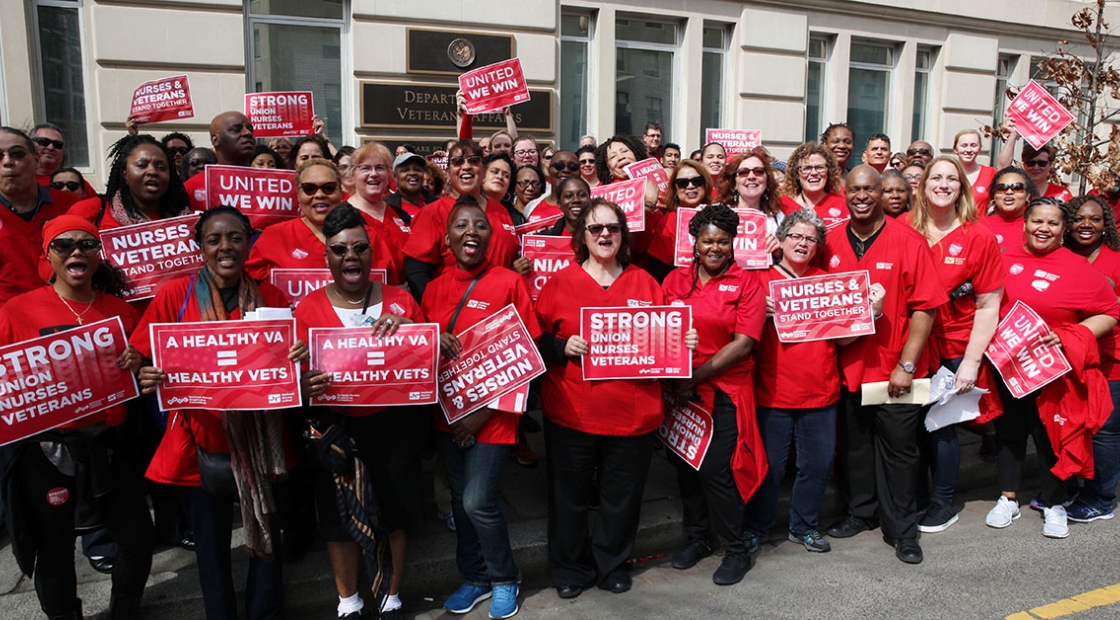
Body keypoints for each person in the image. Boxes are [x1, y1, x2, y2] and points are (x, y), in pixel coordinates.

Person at [134, 207, 313, 620]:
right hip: (199, 440)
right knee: (211, 547)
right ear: (201, 247)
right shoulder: (174, 294)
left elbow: (295, 361)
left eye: (234, 237)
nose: (225, 247)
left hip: (260, 440)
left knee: (268, 531)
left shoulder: (273, 297)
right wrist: (147, 370)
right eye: (214, 240)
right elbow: (142, 353)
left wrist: (299, 357)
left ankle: (264, 613)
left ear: (248, 242)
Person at [534, 198, 692, 597]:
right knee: (568, 499)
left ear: (623, 235)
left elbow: (665, 340)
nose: (604, 234)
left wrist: (682, 340)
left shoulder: (644, 282)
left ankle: (612, 564)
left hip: (633, 415)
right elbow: (534, 341)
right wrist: (560, 346)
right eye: (595, 228)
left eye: (613, 228)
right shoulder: (559, 284)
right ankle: (570, 569)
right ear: (582, 236)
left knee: (621, 497)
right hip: (572, 412)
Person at [0, 215, 154, 620]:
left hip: (109, 443)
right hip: (48, 450)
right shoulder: (17, 311)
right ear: (47, 254)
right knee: (53, 548)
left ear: (99, 255)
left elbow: (140, 377)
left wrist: (138, 362)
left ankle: (125, 610)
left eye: (87, 244)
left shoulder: (119, 310)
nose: (76, 252)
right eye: (64, 244)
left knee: (137, 540)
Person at [294, 204, 424, 620]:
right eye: (339, 249)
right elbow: (291, 379)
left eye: (359, 248)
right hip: (336, 429)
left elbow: (428, 360)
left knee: (395, 512)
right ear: (327, 257)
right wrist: (302, 383)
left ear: (372, 254)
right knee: (337, 519)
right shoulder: (307, 310)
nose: (350, 256)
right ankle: (348, 602)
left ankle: (389, 596)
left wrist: (411, 333)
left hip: (391, 426)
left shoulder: (402, 301)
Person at [823, 165, 947, 565]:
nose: (862, 196)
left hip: (895, 372)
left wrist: (906, 366)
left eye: (869, 190)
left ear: (883, 194)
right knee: (855, 449)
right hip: (846, 369)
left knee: (900, 453)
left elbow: (925, 309)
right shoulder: (830, 241)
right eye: (854, 189)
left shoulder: (908, 241)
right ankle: (862, 512)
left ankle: (902, 530)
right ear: (845, 193)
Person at [420, 196, 535, 619]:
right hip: (447, 417)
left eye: (480, 226)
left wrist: (479, 416)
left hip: (494, 418)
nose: (472, 231)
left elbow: (526, 355)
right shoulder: (431, 289)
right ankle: (474, 578)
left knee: (476, 501)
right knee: (457, 503)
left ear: (491, 237)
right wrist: (434, 341)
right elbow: (418, 354)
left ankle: (505, 578)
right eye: (461, 225)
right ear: (447, 238)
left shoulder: (509, 282)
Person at [984, 198, 1118, 539]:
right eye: (1037, 222)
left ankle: (1055, 503)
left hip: (1053, 371)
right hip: (1008, 367)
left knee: (1051, 438)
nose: (1043, 228)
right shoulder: (1002, 259)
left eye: (1053, 224)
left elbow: (1110, 311)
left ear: (1063, 229)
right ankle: (1007, 498)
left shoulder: (1077, 266)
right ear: (1025, 224)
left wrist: (1072, 335)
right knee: (1010, 434)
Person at [744, 209, 863, 555]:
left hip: (821, 393)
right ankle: (756, 529)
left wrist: (869, 314)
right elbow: (735, 335)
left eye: (810, 239)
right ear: (779, 241)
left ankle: (804, 526)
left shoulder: (829, 283)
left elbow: (842, 341)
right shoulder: (758, 280)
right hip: (772, 393)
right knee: (770, 469)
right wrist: (757, 316)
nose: (802, 243)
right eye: (796, 236)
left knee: (816, 466)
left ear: (817, 247)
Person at [661, 204, 766, 585]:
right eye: (708, 240)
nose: (715, 248)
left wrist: (697, 375)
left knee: (715, 470)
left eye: (723, 241)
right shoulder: (674, 281)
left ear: (733, 243)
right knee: (686, 468)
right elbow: (658, 330)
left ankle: (736, 549)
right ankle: (697, 538)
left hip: (725, 391)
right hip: (681, 392)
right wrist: (676, 379)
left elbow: (743, 344)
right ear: (696, 242)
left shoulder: (748, 283)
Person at [908, 156, 1005, 533]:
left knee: (943, 428)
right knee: (912, 427)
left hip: (954, 346)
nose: (943, 184)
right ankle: (914, 497)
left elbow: (988, 303)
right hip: (912, 346)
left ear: (962, 188)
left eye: (952, 178)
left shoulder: (978, 236)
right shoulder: (905, 228)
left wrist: (970, 361)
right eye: (937, 177)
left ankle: (942, 501)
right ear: (924, 184)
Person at [247, 157, 400, 285]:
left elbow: (390, 287)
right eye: (309, 188)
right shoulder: (274, 236)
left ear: (341, 191)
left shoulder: (368, 236)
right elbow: (252, 289)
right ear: (298, 194)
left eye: (328, 188)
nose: (319, 195)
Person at [1062, 195, 1120, 523]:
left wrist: (1109, 293)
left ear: (1105, 225)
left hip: (1110, 357)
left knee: (1105, 431)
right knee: (1070, 424)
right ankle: (1070, 485)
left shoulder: (1115, 258)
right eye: (1080, 219)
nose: (1086, 225)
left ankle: (1100, 497)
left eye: (1095, 219)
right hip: (1068, 358)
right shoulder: (1061, 256)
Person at [403, 140, 518, 300]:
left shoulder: (501, 211)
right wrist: (435, 311)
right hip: (453, 312)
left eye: (473, 160)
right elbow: (417, 273)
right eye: (457, 161)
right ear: (449, 172)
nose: (466, 166)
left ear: (484, 171)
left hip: (499, 311)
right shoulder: (432, 213)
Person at [0, 127, 79, 307]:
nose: (7, 162)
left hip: (67, 315)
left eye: (17, 154)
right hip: (7, 322)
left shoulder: (69, 205)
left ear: (36, 159)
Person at [343, 143, 415, 284]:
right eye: (365, 168)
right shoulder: (341, 217)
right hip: (366, 300)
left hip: (404, 300)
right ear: (352, 174)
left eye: (380, 168)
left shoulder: (401, 215)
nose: (374, 174)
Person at [647, 160, 713, 282]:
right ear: (675, 190)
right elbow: (659, 269)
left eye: (697, 181)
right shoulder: (668, 221)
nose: (690, 186)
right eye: (683, 183)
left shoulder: (720, 213)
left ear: (705, 184)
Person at [183, 112, 256, 211]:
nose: (248, 133)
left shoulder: (274, 186)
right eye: (236, 130)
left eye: (250, 129)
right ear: (215, 140)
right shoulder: (192, 187)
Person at [719, 147, 785, 251]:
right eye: (743, 172)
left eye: (758, 171)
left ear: (767, 181)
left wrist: (779, 250)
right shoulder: (718, 215)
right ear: (733, 184)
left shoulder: (778, 218)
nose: (751, 176)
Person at [996, 119, 1073, 201]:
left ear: (1050, 165)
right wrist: (1013, 135)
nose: (1036, 167)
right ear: (1024, 165)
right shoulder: (1015, 191)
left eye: (1042, 163)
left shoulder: (1062, 193)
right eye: (1031, 163)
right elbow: (1002, 170)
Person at [779, 142, 847, 229]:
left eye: (819, 167)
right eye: (807, 168)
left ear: (828, 171)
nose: (814, 173)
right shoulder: (782, 205)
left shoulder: (844, 201)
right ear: (796, 174)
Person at [979, 166, 1039, 250]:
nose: (1009, 192)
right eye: (1002, 188)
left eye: (1017, 188)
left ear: (1027, 196)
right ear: (994, 195)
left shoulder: (1038, 226)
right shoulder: (981, 227)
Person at [32, 123, 95, 196]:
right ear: (30, 145)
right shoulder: (20, 181)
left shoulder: (75, 184)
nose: (50, 147)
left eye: (57, 144)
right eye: (43, 142)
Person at [525, 150, 580, 223]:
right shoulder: (531, 207)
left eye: (573, 167)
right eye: (559, 166)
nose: (566, 170)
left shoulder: (588, 209)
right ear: (549, 170)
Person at [953, 129, 996, 210]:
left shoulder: (990, 173)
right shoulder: (948, 173)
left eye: (973, 145)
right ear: (955, 149)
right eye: (964, 145)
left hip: (980, 222)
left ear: (980, 148)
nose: (969, 150)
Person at [386, 151, 432, 218]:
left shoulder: (437, 204)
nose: (412, 173)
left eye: (417, 169)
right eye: (405, 170)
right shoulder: (386, 206)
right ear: (395, 177)